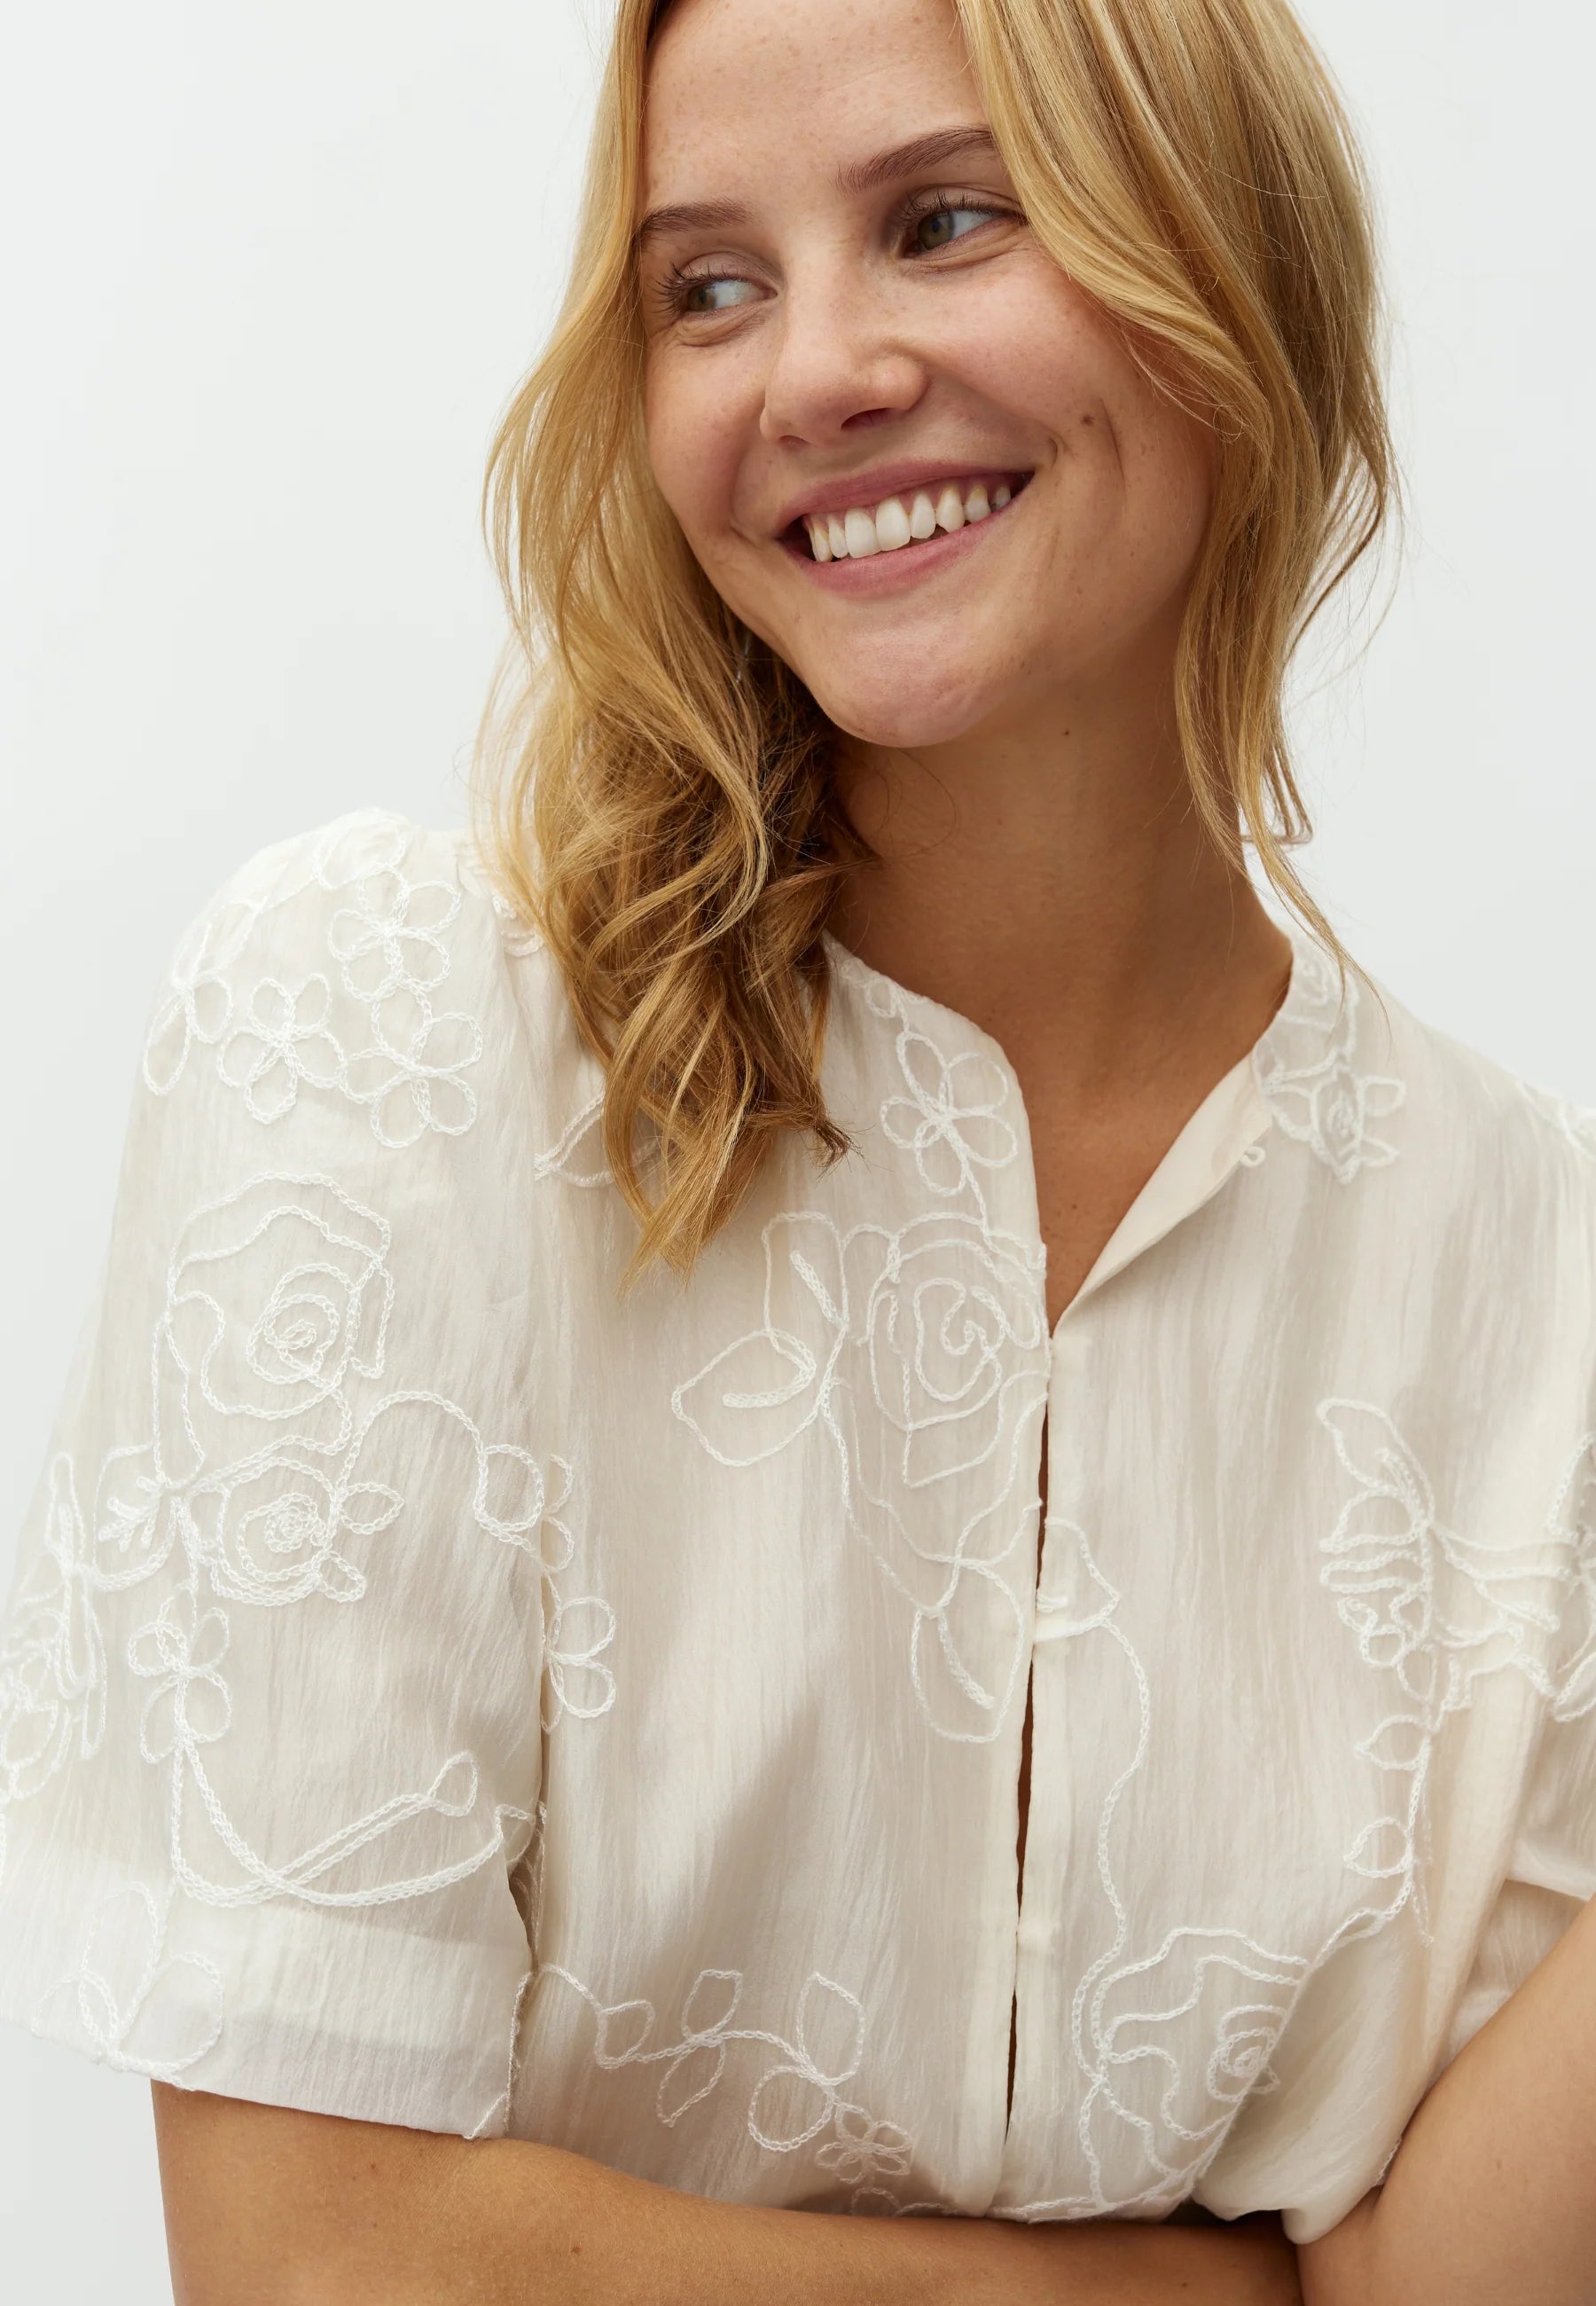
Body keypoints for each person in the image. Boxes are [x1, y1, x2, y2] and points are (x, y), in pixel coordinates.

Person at [2, 0, 1592, 2297]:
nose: (814, 373)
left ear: (1227, 255)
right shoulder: (386, 1045)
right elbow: (320, 2261)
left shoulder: (1541, 1283)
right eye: (709, 286)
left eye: (943, 224)